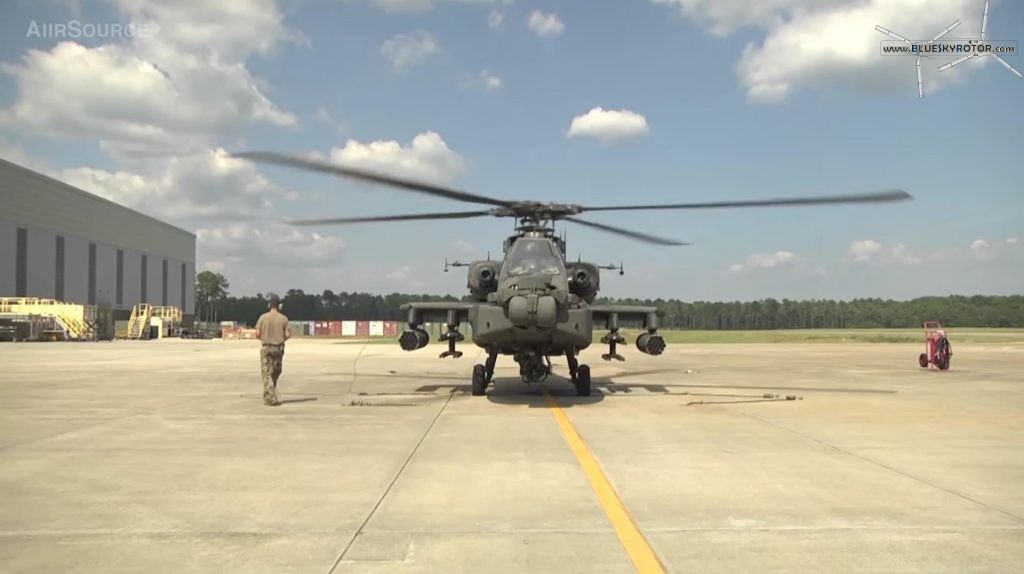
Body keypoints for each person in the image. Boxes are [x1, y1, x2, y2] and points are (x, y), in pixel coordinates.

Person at [254, 295, 291, 406]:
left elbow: (257, 334)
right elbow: (288, 334)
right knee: (276, 372)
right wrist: (281, 338)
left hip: (266, 348)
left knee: (267, 374)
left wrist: (263, 339)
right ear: (280, 306)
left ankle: (269, 396)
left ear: (269, 305)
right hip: (278, 349)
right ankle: (270, 394)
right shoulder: (284, 319)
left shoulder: (262, 318)